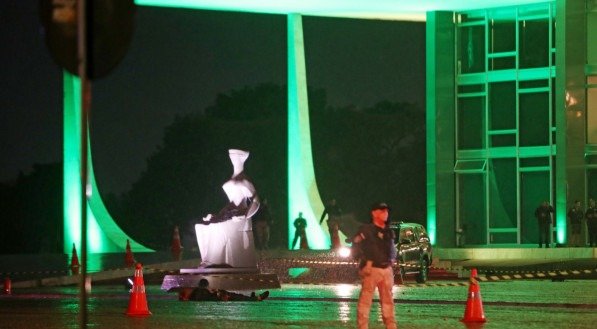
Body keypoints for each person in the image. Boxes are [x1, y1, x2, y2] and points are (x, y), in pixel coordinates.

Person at [195, 149, 260, 268]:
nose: (232, 158)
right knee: (201, 227)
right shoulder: (232, 179)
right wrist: (217, 215)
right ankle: (207, 259)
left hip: (239, 218)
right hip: (229, 215)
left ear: (242, 158)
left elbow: (256, 201)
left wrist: (244, 215)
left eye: (235, 156)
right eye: (231, 156)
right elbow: (231, 203)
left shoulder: (244, 180)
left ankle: (213, 262)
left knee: (218, 228)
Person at [350, 202, 397, 329]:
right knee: (365, 301)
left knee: (388, 301)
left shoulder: (388, 231)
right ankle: (363, 326)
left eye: (386, 211)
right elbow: (355, 246)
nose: (386, 213)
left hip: (386, 269)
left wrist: (392, 259)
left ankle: (391, 325)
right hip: (371, 269)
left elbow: (392, 248)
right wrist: (365, 262)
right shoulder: (366, 230)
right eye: (382, 211)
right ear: (374, 213)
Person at [189, 279, 269, 302]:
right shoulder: (200, 292)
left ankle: (252, 298)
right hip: (221, 298)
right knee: (237, 297)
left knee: (237, 296)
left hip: (220, 296)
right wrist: (219, 294)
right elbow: (208, 298)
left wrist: (216, 292)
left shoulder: (197, 291)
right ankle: (256, 298)